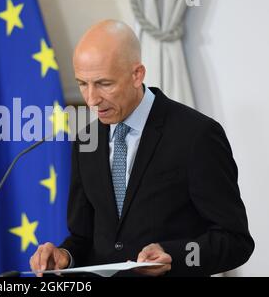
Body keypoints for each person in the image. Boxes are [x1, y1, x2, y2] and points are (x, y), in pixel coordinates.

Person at [29, 20, 254, 277]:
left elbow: (235, 240)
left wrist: (176, 256)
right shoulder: (85, 141)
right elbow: (84, 237)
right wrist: (65, 256)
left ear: (137, 75)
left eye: (103, 83)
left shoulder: (197, 135)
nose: (91, 99)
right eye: (82, 83)